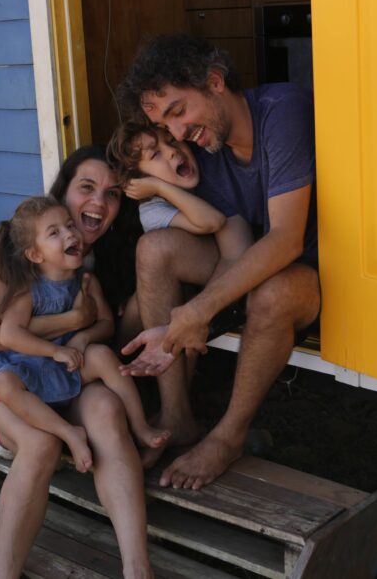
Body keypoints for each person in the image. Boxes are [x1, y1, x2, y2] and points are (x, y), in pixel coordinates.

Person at [116, 33, 321, 490]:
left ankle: (228, 437)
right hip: (258, 269)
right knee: (155, 250)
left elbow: (286, 240)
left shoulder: (281, 111)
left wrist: (198, 311)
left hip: (316, 275)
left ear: (214, 82)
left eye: (178, 112)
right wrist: (178, 324)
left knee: (274, 290)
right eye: (166, 128)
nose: (178, 134)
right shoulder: (208, 154)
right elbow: (235, 252)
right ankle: (177, 418)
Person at [0, 148, 152, 579]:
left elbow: (105, 330)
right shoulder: (17, 254)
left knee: (108, 412)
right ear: (63, 192)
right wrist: (71, 321)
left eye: (111, 193)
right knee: (41, 446)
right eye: (86, 188)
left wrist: (88, 332)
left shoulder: (102, 261)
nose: (98, 203)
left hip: (67, 375)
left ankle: (137, 569)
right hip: (9, 376)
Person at [0, 195, 169, 473]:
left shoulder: (86, 281)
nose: (69, 234)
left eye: (69, 226)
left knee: (103, 355)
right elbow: (9, 335)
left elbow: (106, 324)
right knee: (1, 385)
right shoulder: (27, 289)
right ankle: (68, 432)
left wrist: (83, 338)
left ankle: (139, 426)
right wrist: (54, 350)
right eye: (54, 233)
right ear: (35, 254)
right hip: (28, 367)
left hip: (66, 363)